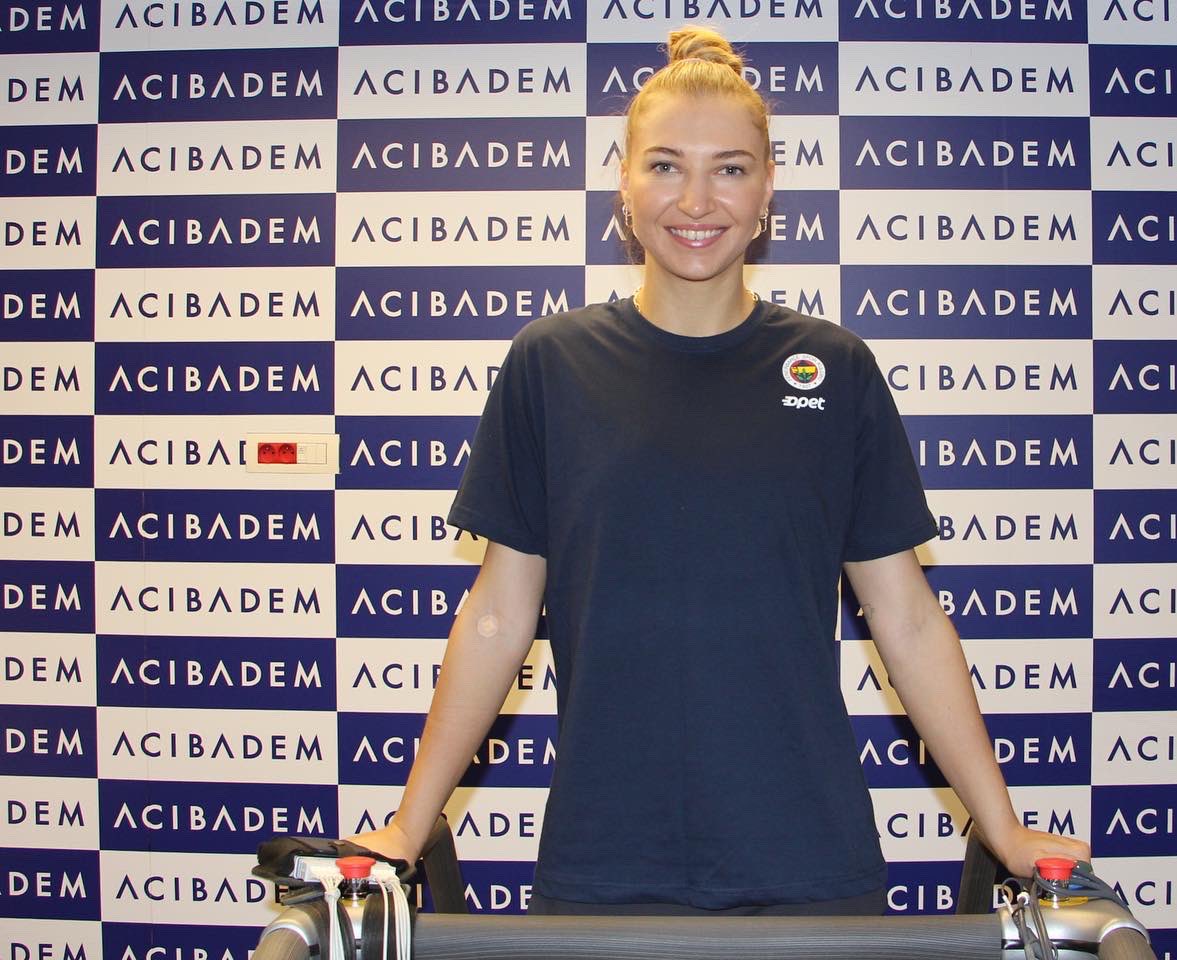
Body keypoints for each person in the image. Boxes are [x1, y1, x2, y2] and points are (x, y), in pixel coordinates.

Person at [349, 25, 1090, 915]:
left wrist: (1002, 827)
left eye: (730, 168)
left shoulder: (837, 368)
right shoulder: (549, 365)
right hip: (603, 861)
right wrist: (409, 825)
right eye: (665, 165)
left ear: (768, 186)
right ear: (624, 183)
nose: (696, 200)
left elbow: (909, 620)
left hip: (808, 862)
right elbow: (497, 616)